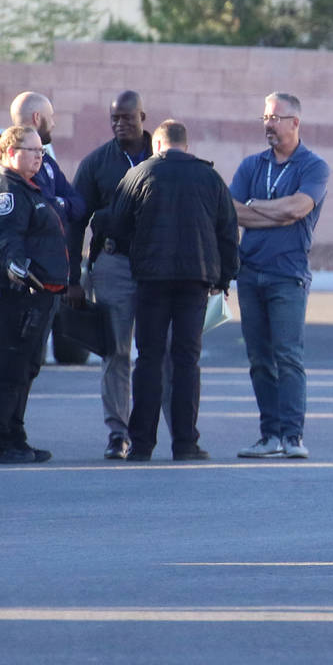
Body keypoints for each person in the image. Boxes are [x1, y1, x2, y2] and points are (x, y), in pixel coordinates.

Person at [109, 120, 239, 461]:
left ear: (158, 145)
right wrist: (223, 279)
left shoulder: (139, 174)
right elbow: (227, 230)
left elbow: (117, 224)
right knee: (186, 360)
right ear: (187, 143)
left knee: (149, 359)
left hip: (151, 279)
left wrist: (134, 248)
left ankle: (141, 445)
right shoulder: (209, 177)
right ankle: (185, 443)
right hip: (196, 279)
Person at [69, 90, 171, 460]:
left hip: (161, 268)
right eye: (114, 118)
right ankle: (118, 432)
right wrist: (74, 277)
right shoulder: (98, 163)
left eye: (127, 117)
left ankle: (180, 433)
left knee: (166, 351)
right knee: (116, 350)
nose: (120, 124)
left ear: (143, 117)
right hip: (113, 264)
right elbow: (75, 220)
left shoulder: (163, 158)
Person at [232, 93, 330, 461]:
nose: (268, 124)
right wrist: (272, 212)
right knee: (259, 359)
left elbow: (299, 207)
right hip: (250, 272)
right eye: (265, 117)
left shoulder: (313, 166)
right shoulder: (251, 165)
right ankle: (268, 435)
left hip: (287, 275)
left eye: (276, 118)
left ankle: (292, 436)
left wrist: (257, 207)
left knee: (288, 356)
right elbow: (232, 211)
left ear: (295, 123)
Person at [0, 126, 68, 463]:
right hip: (9, 293)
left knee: (24, 367)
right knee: (7, 366)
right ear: (11, 153)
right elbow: (8, 237)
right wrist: (17, 267)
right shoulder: (5, 191)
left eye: (42, 151)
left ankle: (15, 438)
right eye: (33, 150)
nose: (40, 156)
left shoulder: (28, 187)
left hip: (34, 295)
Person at [8, 91, 85, 230]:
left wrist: (59, 203)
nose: (53, 124)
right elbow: (42, 209)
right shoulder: (9, 164)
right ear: (37, 118)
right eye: (50, 117)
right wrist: (57, 204)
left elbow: (78, 205)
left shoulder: (47, 162)